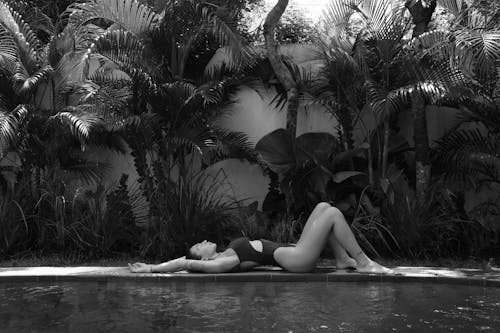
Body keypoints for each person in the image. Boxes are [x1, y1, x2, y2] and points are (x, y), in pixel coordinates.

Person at [128, 202, 394, 274]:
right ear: (203, 257)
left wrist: (153, 266)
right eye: (199, 247)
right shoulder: (222, 262)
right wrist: (152, 269)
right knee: (334, 214)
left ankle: (342, 259)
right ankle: (362, 261)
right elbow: (186, 263)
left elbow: (187, 260)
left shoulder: (224, 254)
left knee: (324, 206)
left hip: (294, 252)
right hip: (297, 260)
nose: (203, 241)